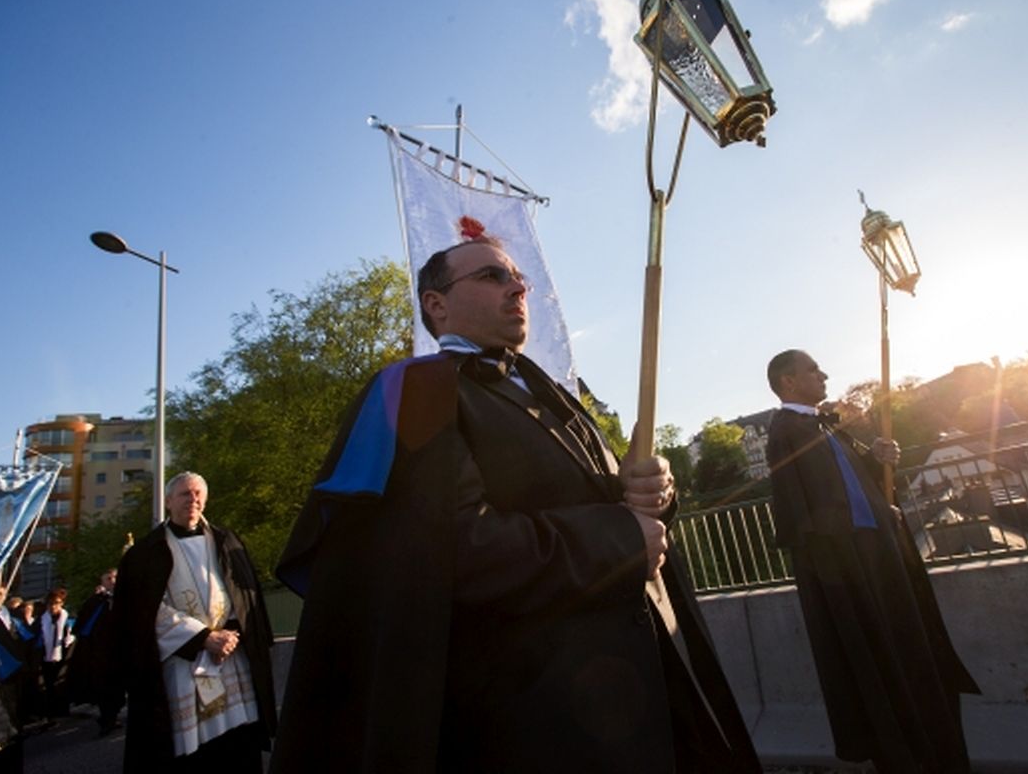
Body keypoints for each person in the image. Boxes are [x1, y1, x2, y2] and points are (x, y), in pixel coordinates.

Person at [272, 221, 760, 773]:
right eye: (492, 275)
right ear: (436, 305)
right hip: (541, 714)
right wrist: (620, 539)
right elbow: (454, 549)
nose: (519, 288)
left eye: (519, 277)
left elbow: (615, 501)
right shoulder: (415, 393)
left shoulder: (546, 388)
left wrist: (654, 489)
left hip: (648, 682)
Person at [765, 349, 980, 774]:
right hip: (850, 567)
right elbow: (799, 510)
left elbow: (858, 481)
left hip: (880, 556)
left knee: (912, 649)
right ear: (788, 382)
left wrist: (879, 462)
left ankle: (937, 748)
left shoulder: (824, 427)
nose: (824, 374)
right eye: (813, 370)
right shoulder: (784, 433)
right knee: (881, 661)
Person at [114, 472, 277, 773]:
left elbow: (244, 594)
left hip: (230, 656)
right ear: (168, 501)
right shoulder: (145, 554)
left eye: (198, 494)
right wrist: (202, 637)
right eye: (185, 494)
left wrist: (230, 635)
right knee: (194, 751)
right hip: (182, 661)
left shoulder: (226, 541)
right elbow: (144, 610)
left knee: (239, 739)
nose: (193, 500)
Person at [68, 569, 124, 736]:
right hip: (99, 655)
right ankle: (108, 719)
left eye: (115, 577)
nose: (112, 581)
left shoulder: (126, 598)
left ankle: (112, 717)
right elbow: (83, 627)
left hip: (120, 652)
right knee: (104, 688)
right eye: (108, 578)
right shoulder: (95, 602)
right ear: (102, 582)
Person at [36, 589, 71, 722]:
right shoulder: (42, 619)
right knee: (48, 684)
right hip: (46, 656)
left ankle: (61, 710)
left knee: (61, 682)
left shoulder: (66, 618)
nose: (53, 606)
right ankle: (50, 712)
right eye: (50, 603)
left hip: (63, 653)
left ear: (61, 603)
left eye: (56, 603)